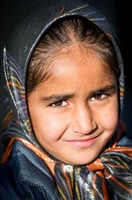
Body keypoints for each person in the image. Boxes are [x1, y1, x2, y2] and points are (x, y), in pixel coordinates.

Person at [0, 0, 132, 199]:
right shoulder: (10, 190)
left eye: (99, 95)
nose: (86, 125)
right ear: (22, 106)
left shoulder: (125, 166)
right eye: (59, 102)